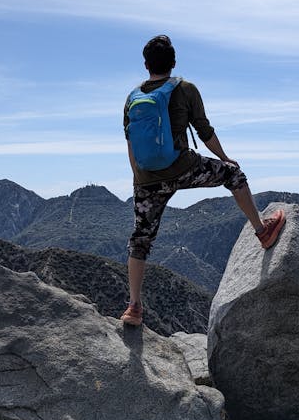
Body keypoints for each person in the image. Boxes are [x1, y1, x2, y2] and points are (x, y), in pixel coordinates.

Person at [121, 34, 285, 326]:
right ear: (173, 62)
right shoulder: (185, 89)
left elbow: (131, 144)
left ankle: (133, 307)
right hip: (182, 167)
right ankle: (262, 230)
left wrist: (139, 180)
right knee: (233, 175)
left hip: (146, 180)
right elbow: (204, 131)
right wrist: (226, 158)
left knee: (140, 239)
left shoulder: (133, 98)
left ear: (146, 65)